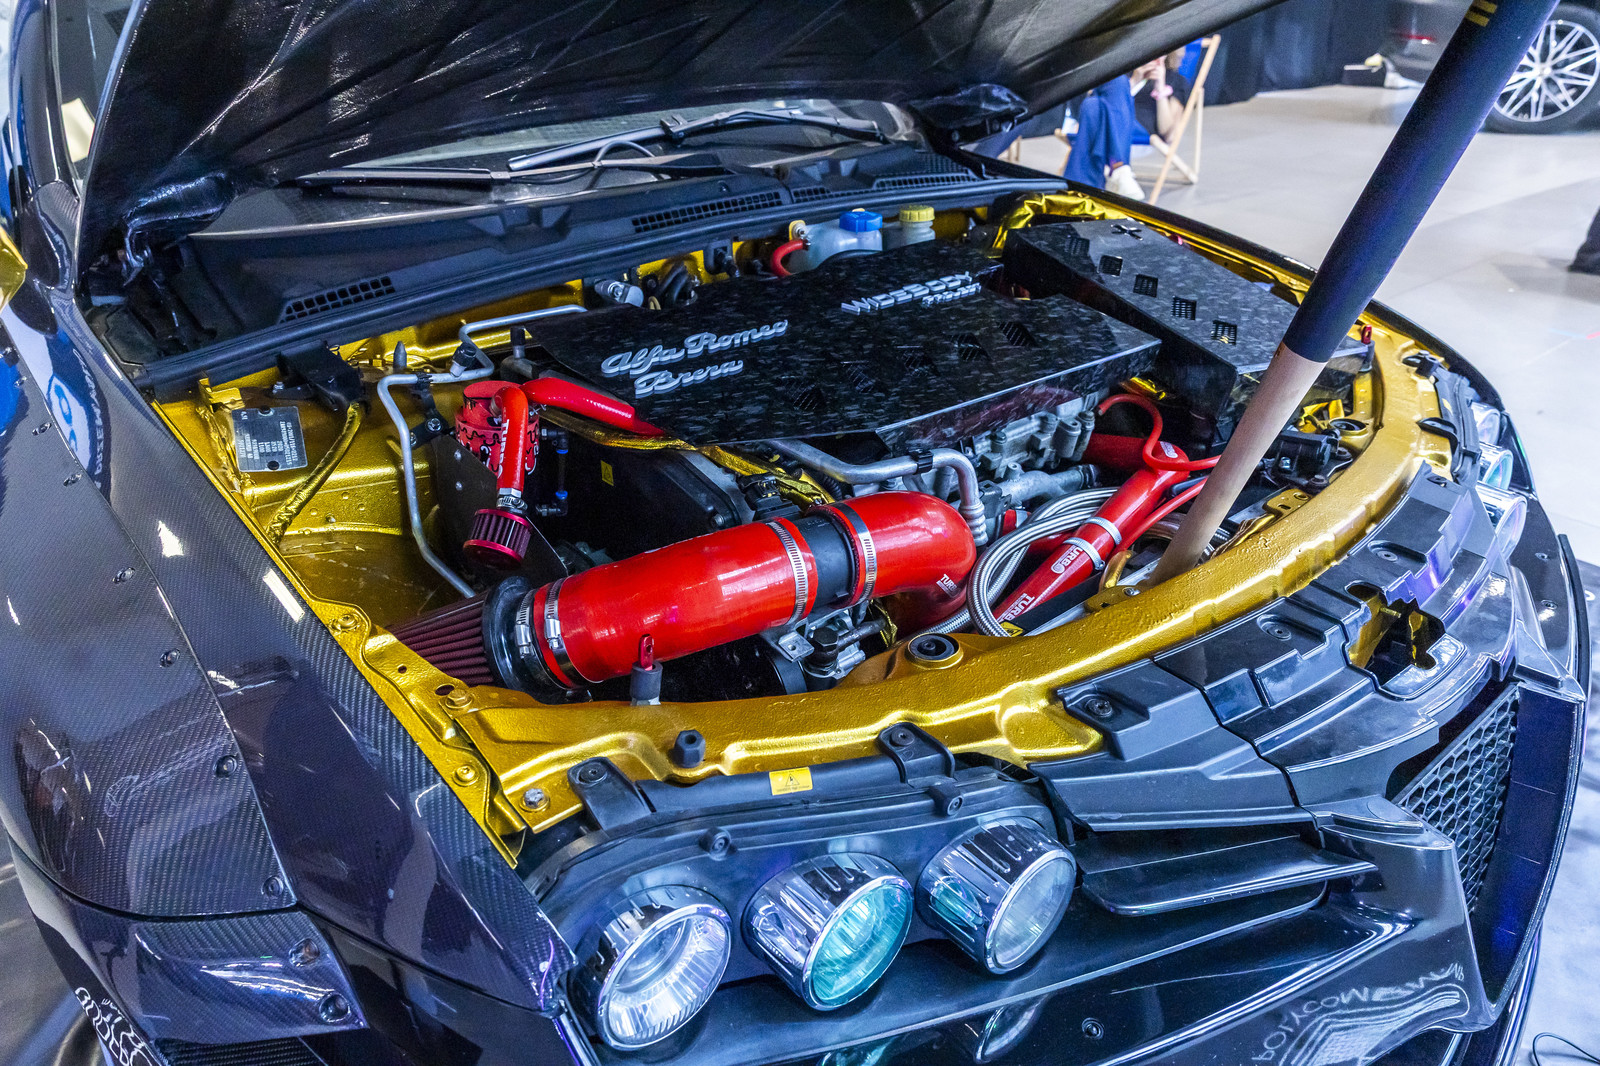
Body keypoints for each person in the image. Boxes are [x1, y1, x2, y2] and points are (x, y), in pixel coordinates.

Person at [1063, 75, 1144, 200]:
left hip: (1137, 127)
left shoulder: (1170, 78)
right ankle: (1118, 168)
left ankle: (1078, 188)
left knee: (1112, 84)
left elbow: (1166, 130)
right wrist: (1135, 80)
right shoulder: (1128, 70)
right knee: (1092, 106)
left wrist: (1160, 88)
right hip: (1107, 119)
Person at [1129, 51, 1191, 140]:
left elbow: (1168, 134)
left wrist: (1160, 89)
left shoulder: (1177, 81)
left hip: (1144, 138)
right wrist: (1134, 82)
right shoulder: (1122, 75)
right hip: (1117, 131)